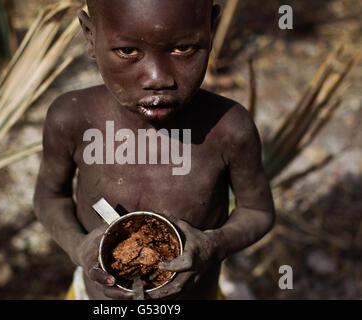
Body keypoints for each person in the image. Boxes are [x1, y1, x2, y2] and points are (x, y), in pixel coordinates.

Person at [33, 0, 275, 300]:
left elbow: (257, 210)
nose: (158, 78)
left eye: (184, 48)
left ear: (211, 29)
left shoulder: (227, 128)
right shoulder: (72, 118)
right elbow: (49, 197)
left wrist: (214, 245)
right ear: (90, 36)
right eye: (128, 51)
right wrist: (78, 247)